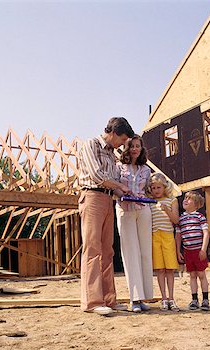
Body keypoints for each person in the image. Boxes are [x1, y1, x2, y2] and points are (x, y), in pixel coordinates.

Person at [77, 117, 135, 315]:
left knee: (107, 251)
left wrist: (128, 194)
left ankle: (109, 300)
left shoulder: (112, 154)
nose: (123, 144)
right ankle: (92, 302)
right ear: (114, 133)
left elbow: (115, 182)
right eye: (122, 140)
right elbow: (97, 175)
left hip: (108, 199)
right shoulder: (91, 144)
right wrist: (119, 186)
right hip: (92, 196)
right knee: (92, 249)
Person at [115, 134, 153, 313]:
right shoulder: (118, 167)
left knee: (145, 251)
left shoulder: (146, 169)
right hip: (126, 210)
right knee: (130, 253)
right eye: (132, 146)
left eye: (138, 146)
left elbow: (148, 190)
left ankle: (144, 297)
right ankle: (134, 299)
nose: (135, 149)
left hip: (144, 210)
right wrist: (122, 198)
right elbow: (114, 188)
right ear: (127, 148)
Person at [148, 173, 180, 311]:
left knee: (170, 269)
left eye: (158, 187)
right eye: (153, 187)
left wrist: (166, 209)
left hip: (167, 236)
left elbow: (176, 220)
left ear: (164, 187)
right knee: (160, 269)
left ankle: (171, 298)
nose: (156, 190)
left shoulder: (172, 200)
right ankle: (163, 298)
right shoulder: (149, 202)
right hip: (155, 236)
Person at [175, 191, 210, 311]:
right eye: (185, 198)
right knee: (192, 275)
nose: (185, 200)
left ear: (196, 204)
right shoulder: (181, 218)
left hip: (198, 251)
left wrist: (203, 249)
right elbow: (178, 236)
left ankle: (205, 299)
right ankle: (194, 300)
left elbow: (206, 233)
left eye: (189, 199)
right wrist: (178, 251)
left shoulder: (200, 217)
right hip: (187, 252)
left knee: (201, 274)